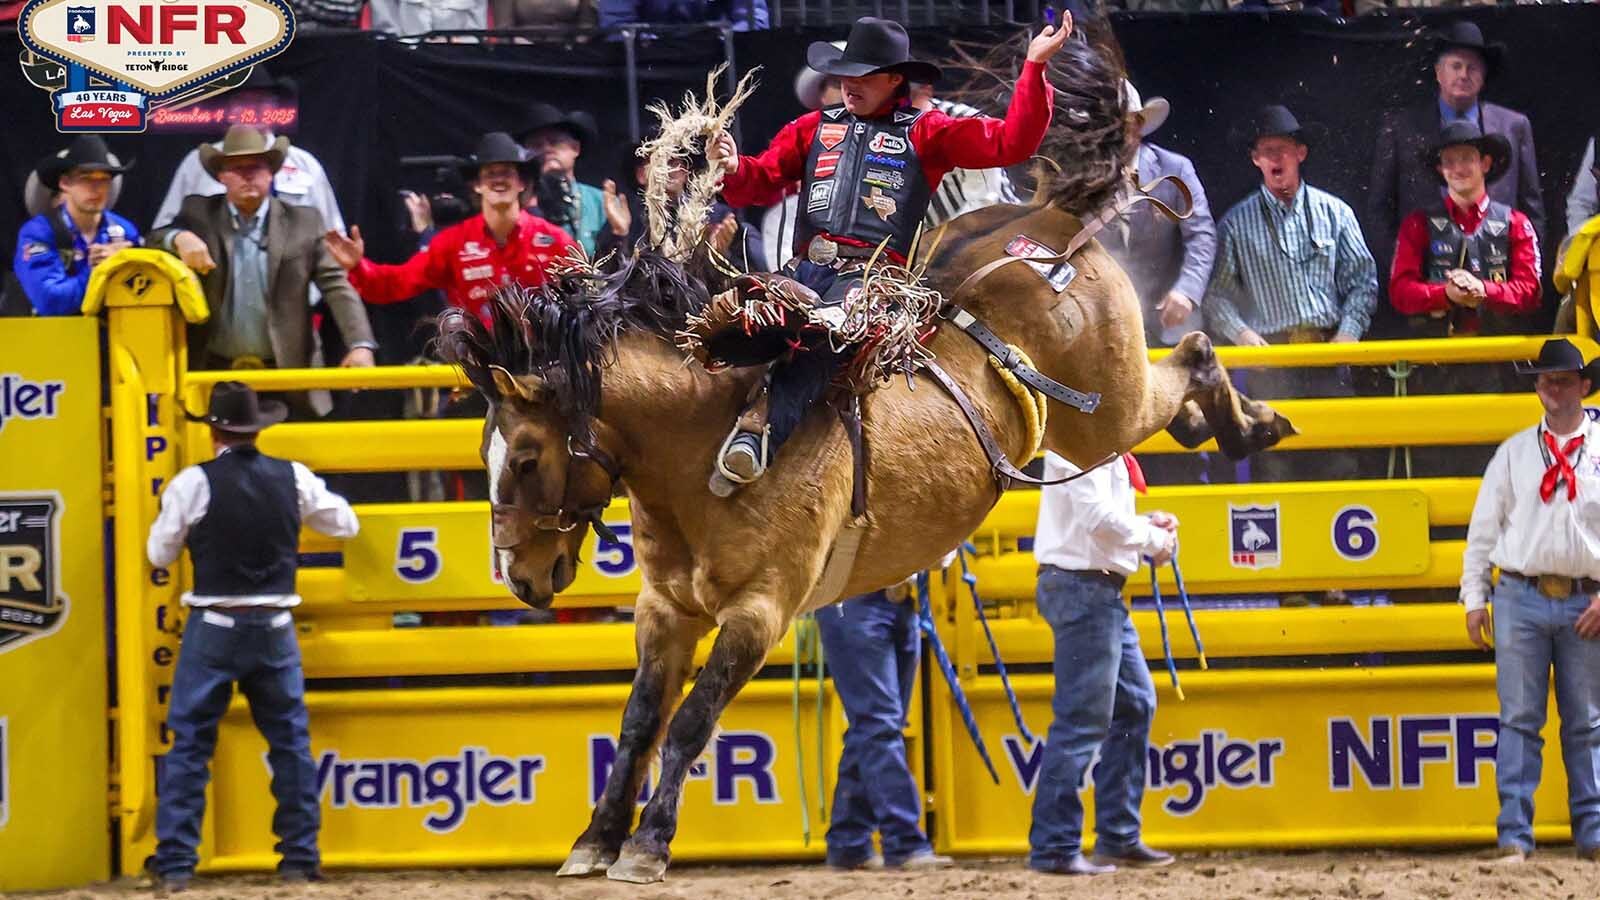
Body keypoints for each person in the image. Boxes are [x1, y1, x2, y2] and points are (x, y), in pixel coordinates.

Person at [704, 15, 1072, 493]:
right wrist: (734, 166)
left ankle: (759, 437)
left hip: (871, 283)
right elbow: (759, 181)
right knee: (729, 326)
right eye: (844, 74)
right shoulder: (811, 129)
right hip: (803, 271)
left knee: (828, 334)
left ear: (895, 79)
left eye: (863, 75)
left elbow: (1011, 142)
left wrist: (1034, 69)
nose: (849, 84)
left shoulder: (927, 132)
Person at [144, 382, 360, 890]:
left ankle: (176, 863)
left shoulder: (192, 483)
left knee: (190, 744)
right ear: (257, 429)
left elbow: (159, 553)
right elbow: (345, 524)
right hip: (275, 627)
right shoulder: (293, 477)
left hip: (214, 626)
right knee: (289, 743)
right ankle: (299, 857)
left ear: (213, 432)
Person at [1460, 337, 1600, 866]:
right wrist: (1475, 597)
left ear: (1584, 386)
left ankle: (1593, 832)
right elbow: (1483, 530)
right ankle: (1515, 836)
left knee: (1587, 722)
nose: (1551, 389)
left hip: (1586, 598)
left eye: (1561, 381)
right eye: (1544, 381)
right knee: (1520, 719)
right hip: (1520, 592)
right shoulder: (1515, 453)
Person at [150, 126, 377, 419]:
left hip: (287, 374)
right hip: (213, 373)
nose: (247, 176)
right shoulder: (198, 213)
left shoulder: (304, 222)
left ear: (271, 173)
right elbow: (153, 239)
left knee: (293, 447)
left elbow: (336, 286)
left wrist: (360, 345)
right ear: (221, 176)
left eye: (256, 167)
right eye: (237, 168)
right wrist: (177, 238)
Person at [1205, 104, 1375, 485]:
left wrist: (1349, 333)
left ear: (1301, 153)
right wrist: (1242, 333)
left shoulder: (1336, 213)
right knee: (1275, 466)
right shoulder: (1234, 224)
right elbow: (1216, 297)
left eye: (1282, 149)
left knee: (1339, 460)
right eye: (1266, 151)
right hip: (1272, 362)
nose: (1275, 158)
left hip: (1328, 355)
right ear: (1255, 159)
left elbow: (1363, 281)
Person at [1028, 450, 1176, 876]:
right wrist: (1153, 538)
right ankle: (1056, 845)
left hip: (1092, 589)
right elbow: (1096, 518)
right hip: (1085, 589)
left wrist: (1148, 527)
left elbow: (1096, 519)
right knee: (1082, 719)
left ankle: (1116, 834)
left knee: (1134, 704)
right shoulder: (1084, 445)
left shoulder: (1093, 444)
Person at [324, 132, 578, 327]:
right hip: (480, 365)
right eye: (490, 173)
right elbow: (399, 283)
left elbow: (585, 301)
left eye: (507, 172)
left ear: (522, 182)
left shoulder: (555, 240)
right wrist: (357, 267)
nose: (499, 179)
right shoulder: (453, 243)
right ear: (477, 185)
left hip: (545, 365)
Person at [1366, 20, 1543, 282]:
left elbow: (1532, 207)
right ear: (1438, 72)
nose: (1463, 74)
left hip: (1499, 282)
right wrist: (1404, 269)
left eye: (1472, 67)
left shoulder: (1514, 126)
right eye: (1455, 66)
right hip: (1424, 282)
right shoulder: (1401, 127)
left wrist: (1522, 278)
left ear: (1484, 76)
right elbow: (1379, 209)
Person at [816, 583, 951, 871]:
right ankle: (904, 841)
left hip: (899, 601)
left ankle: (849, 841)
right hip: (854, 598)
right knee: (880, 725)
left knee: (876, 727)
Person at [1389, 121, 1541, 339]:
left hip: (1502, 350)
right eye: (1449, 161)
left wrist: (1484, 290)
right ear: (1441, 170)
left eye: (1467, 158)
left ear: (1485, 163)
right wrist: (1445, 294)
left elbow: (1531, 291)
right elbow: (1400, 291)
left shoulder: (1516, 224)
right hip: (1434, 352)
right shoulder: (1417, 224)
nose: (1458, 169)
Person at [1096, 80, 1215, 348]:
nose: (1114, 135)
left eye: (1122, 125)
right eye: (1107, 127)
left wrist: (1187, 291)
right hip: (1104, 321)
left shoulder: (1175, 168)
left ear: (1139, 125)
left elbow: (1201, 235)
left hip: (1167, 318)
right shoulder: (1084, 176)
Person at [153, 69, 344, 235]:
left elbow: (332, 233)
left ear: (276, 106)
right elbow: (163, 230)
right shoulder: (196, 164)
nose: (253, 109)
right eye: (243, 101)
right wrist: (178, 239)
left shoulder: (304, 165)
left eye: (263, 100)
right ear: (228, 108)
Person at [11, 135, 140, 316]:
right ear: (65, 183)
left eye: (103, 179)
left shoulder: (125, 231)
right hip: (59, 333)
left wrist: (129, 263)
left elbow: (143, 291)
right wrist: (99, 270)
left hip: (119, 330)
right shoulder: (38, 233)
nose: (96, 188)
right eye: (85, 178)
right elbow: (51, 302)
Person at [517, 104, 607, 256]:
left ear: (575, 148)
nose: (546, 149)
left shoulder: (602, 202)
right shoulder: (518, 204)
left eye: (555, 142)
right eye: (536, 145)